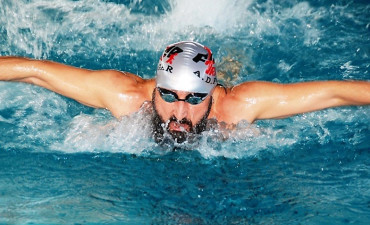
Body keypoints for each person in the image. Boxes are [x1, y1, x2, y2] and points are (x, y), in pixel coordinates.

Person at [1, 41, 369, 143]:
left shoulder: (237, 104)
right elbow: (36, 72)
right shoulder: (126, 95)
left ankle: (230, 60)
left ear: (212, 95)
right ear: (155, 89)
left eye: (195, 99)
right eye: (169, 97)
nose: (180, 114)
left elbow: (335, 93)